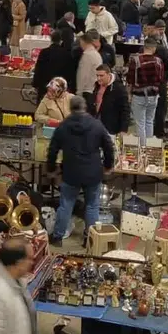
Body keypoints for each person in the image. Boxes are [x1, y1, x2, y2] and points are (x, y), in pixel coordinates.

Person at [47, 95, 116, 247]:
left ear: (70, 108)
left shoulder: (63, 126)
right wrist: (108, 165)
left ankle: (57, 237)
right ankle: (89, 239)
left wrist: (51, 169)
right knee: (92, 206)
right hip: (93, 172)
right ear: (84, 107)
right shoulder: (96, 125)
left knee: (66, 205)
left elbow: (52, 149)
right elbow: (108, 146)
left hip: (71, 172)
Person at [126, 38, 165, 149]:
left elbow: (130, 80)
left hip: (139, 95)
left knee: (140, 123)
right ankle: (149, 148)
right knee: (149, 121)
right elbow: (161, 79)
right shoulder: (159, 61)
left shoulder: (135, 60)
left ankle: (142, 149)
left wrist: (129, 94)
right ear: (154, 48)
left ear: (144, 46)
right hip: (154, 95)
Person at [87, 62, 131, 137]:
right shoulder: (97, 85)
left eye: (101, 75)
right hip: (97, 123)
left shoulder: (119, 88)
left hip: (112, 127)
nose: (98, 78)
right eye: (97, 75)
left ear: (108, 74)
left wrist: (123, 129)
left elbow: (125, 109)